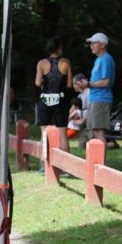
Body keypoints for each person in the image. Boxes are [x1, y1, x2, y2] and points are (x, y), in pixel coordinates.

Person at [34, 37, 73, 175]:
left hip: (45, 100)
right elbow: (69, 84)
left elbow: (38, 83)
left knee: (44, 133)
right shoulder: (66, 62)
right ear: (59, 48)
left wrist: (47, 82)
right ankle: (66, 167)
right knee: (63, 134)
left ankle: (44, 166)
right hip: (60, 100)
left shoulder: (41, 63)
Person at [86, 33, 115, 156]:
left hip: (101, 99)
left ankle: (101, 164)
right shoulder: (99, 60)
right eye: (91, 43)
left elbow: (105, 82)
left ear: (102, 45)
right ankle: (98, 162)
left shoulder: (106, 59)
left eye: (94, 42)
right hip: (95, 99)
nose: (91, 45)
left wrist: (88, 84)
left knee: (98, 131)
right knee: (95, 131)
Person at [73, 74, 91, 149]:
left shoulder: (89, 92)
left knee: (95, 144)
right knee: (81, 147)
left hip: (91, 125)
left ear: (78, 83)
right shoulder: (80, 96)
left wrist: (82, 121)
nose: (73, 86)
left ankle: (112, 144)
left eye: (74, 84)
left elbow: (90, 109)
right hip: (85, 126)